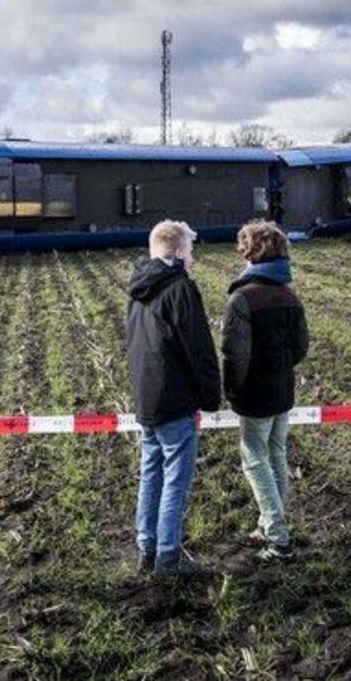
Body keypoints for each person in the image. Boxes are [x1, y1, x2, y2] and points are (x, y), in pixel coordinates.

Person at [126, 219, 221, 576]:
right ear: (179, 252)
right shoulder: (181, 289)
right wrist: (211, 396)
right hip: (175, 399)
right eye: (191, 251)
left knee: (150, 473)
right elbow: (198, 348)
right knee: (175, 481)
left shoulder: (138, 291)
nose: (193, 257)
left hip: (147, 399)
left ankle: (146, 547)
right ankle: (168, 557)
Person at [221, 220, 309, 563]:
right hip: (282, 390)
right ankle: (269, 524)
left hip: (254, 394)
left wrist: (232, 390)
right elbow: (301, 346)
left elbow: (235, 354)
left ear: (248, 253)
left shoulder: (242, 298)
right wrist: (281, 367)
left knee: (254, 461)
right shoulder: (289, 295)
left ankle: (278, 537)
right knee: (276, 455)